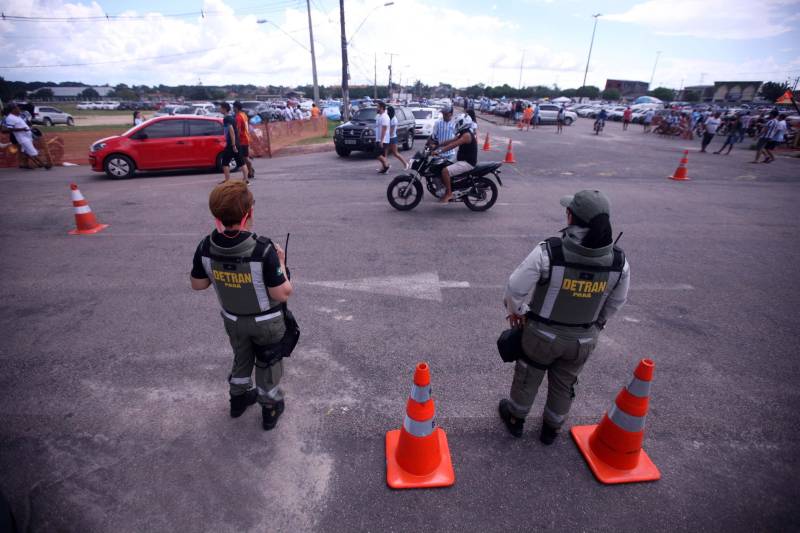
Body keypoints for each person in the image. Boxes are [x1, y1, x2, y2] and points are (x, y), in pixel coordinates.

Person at [499, 190, 630, 443]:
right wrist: (595, 325)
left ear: (570, 216)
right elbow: (616, 303)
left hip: (541, 336)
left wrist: (519, 312)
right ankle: (551, 429)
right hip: (583, 339)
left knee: (528, 375)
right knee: (565, 382)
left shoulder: (549, 252)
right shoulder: (619, 261)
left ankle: (516, 419)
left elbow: (515, 289)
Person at [190, 181, 294, 430]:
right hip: (266, 323)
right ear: (249, 213)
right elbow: (282, 294)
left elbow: (198, 284)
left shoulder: (205, 246)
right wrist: (281, 263)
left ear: (218, 215)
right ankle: (269, 408)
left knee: (241, 357)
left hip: (233, 320)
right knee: (268, 363)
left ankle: (237, 400)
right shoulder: (263, 249)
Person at [432, 114, 476, 204]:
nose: (456, 125)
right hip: (461, 159)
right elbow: (451, 141)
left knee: (445, 171)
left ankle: (449, 193)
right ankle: (447, 187)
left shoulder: (467, 135)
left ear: (463, 123)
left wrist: (439, 151)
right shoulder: (463, 133)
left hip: (467, 162)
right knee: (442, 164)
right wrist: (437, 145)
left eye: (458, 123)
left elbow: (453, 145)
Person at [2, 103, 50, 169]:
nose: (19, 109)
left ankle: (26, 164)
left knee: (26, 151)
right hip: (21, 138)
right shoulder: (9, 118)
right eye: (17, 108)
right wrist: (22, 129)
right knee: (31, 151)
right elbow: (8, 129)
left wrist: (28, 127)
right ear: (13, 110)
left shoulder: (18, 116)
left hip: (27, 136)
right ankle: (44, 165)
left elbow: (26, 123)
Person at [219, 102, 248, 183]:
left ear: (224, 109)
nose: (219, 109)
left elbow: (231, 131)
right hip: (236, 143)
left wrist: (233, 144)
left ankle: (227, 180)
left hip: (232, 144)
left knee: (225, 162)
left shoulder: (227, 119)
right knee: (241, 162)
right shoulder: (232, 117)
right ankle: (246, 180)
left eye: (220, 108)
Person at [233, 101, 255, 181]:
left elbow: (238, 130)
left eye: (233, 107)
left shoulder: (238, 117)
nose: (233, 109)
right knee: (245, 157)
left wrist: (235, 140)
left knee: (244, 158)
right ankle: (250, 171)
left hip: (242, 140)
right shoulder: (244, 115)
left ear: (236, 108)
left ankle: (250, 171)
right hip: (246, 138)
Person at [386, 106, 410, 170]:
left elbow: (392, 131)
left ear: (390, 111)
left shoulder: (394, 119)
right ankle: (385, 166)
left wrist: (387, 138)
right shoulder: (389, 118)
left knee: (395, 153)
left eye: (387, 110)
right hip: (389, 137)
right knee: (385, 153)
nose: (386, 112)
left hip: (392, 138)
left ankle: (406, 164)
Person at [374, 101, 391, 174]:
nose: (376, 108)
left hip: (383, 139)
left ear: (381, 108)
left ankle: (387, 165)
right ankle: (384, 168)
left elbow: (384, 129)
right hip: (378, 138)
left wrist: (381, 140)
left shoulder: (385, 117)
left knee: (377, 154)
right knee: (383, 155)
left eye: (377, 107)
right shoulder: (379, 116)